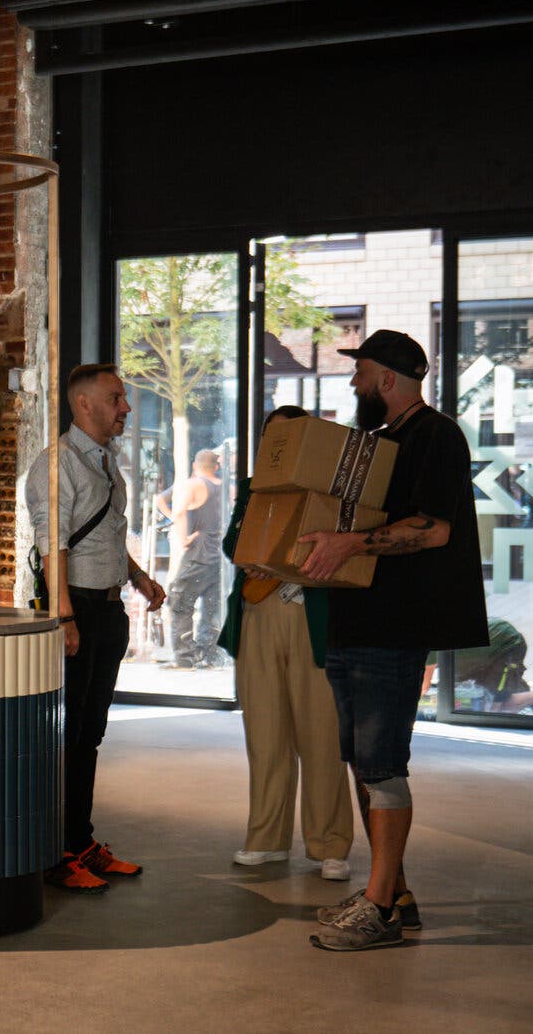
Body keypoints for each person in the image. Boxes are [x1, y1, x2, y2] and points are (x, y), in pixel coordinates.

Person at [297, 330, 489, 952]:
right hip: (355, 621)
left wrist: (347, 544)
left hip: (396, 628)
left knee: (382, 764)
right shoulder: (380, 442)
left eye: (361, 373)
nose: (353, 384)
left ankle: (378, 909)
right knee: (362, 761)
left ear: (387, 379)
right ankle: (395, 894)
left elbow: (433, 529)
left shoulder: (436, 435)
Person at [25, 363, 168, 894]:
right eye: (116, 398)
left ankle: (80, 842)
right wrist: (64, 618)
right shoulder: (57, 464)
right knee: (66, 738)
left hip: (106, 610)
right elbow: (53, 545)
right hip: (76, 611)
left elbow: (106, 534)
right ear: (83, 404)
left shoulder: (104, 463)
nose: (125, 408)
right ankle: (56, 852)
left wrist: (139, 577)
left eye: (124, 398)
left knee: (89, 735)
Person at [216, 406, 353, 879]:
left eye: (290, 437)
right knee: (265, 734)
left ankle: (330, 845)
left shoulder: (334, 489)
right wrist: (251, 547)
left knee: (322, 735)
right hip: (258, 614)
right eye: (272, 438)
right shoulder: (254, 487)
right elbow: (232, 544)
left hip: (313, 619)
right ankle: (266, 838)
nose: (280, 447)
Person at [156, 447, 227, 669]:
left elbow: (177, 510)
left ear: (195, 465)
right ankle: (209, 655)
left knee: (180, 603)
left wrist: (183, 538)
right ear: (216, 466)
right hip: (219, 557)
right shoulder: (226, 486)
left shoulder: (193, 484)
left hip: (198, 554)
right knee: (211, 609)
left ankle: (185, 656)